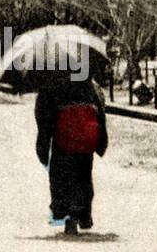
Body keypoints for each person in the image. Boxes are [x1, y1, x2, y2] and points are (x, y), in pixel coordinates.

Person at [35, 74, 108, 235]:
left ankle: (67, 215)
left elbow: (43, 114)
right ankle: (81, 215)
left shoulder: (53, 81)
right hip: (84, 139)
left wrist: (43, 145)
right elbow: (100, 108)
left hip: (64, 138)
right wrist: (101, 141)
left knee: (60, 177)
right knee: (83, 176)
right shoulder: (89, 82)